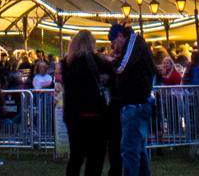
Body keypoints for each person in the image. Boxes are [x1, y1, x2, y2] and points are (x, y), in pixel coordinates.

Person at [110, 23, 155, 176]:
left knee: (130, 150)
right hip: (139, 103)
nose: (114, 48)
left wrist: (113, 65)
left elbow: (122, 67)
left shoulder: (134, 41)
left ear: (120, 36)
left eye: (114, 43)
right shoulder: (137, 44)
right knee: (138, 149)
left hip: (134, 104)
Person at [62, 30, 108, 176]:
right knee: (95, 159)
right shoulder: (95, 62)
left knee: (76, 157)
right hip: (94, 114)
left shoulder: (65, 64)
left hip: (73, 115)